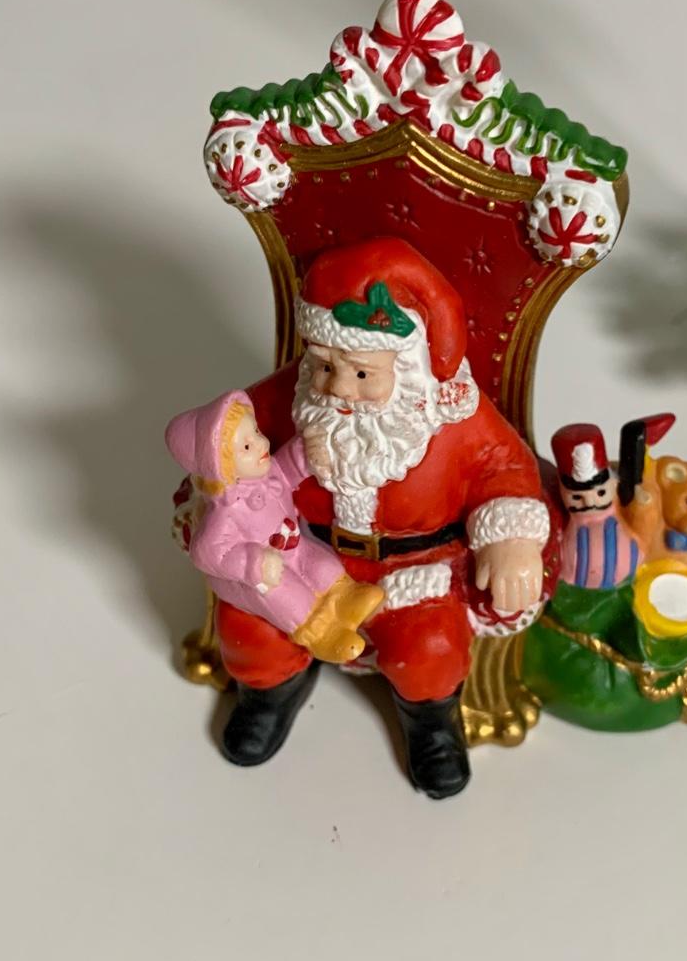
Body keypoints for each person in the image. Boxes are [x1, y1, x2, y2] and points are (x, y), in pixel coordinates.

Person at [208, 238, 552, 799]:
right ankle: (270, 695)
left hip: (413, 575)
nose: (338, 390)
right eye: (325, 365)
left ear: (410, 368)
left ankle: (430, 723)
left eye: (363, 374)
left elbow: (504, 467)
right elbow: (228, 441)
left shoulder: (453, 414)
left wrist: (509, 538)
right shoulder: (292, 398)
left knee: (430, 650)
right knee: (250, 630)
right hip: (301, 557)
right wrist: (211, 489)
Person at [165, 390, 384, 664]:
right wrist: (252, 563)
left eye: (256, 432)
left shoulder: (268, 472)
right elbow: (207, 553)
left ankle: (344, 597)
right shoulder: (225, 514)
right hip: (257, 576)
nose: (260, 443)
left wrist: (308, 450)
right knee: (287, 594)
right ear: (223, 468)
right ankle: (322, 635)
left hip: (293, 548)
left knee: (319, 564)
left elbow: (288, 466)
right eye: (246, 447)